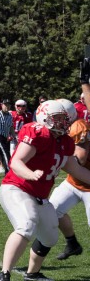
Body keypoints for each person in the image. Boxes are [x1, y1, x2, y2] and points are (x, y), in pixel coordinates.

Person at [0, 99, 90, 281]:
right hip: (17, 187)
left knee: (50, 236)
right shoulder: (38, 133)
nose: (63, 123)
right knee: (26, 224)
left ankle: (32, 273)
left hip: (40, 196)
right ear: (44, 117)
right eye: (58, 119)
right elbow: (16, 162)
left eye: (65, 119)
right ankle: (4, 273)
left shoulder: (64, 142)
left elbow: (76, 170)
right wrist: (30, 174)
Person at [49, 105, 89, 261]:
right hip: (74, 181)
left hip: (88, 182)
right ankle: (72, 243)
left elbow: (80, 159)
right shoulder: (66, 128)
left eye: (59, 116)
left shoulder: (78, 126)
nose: (56, 120)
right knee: (52, 210)